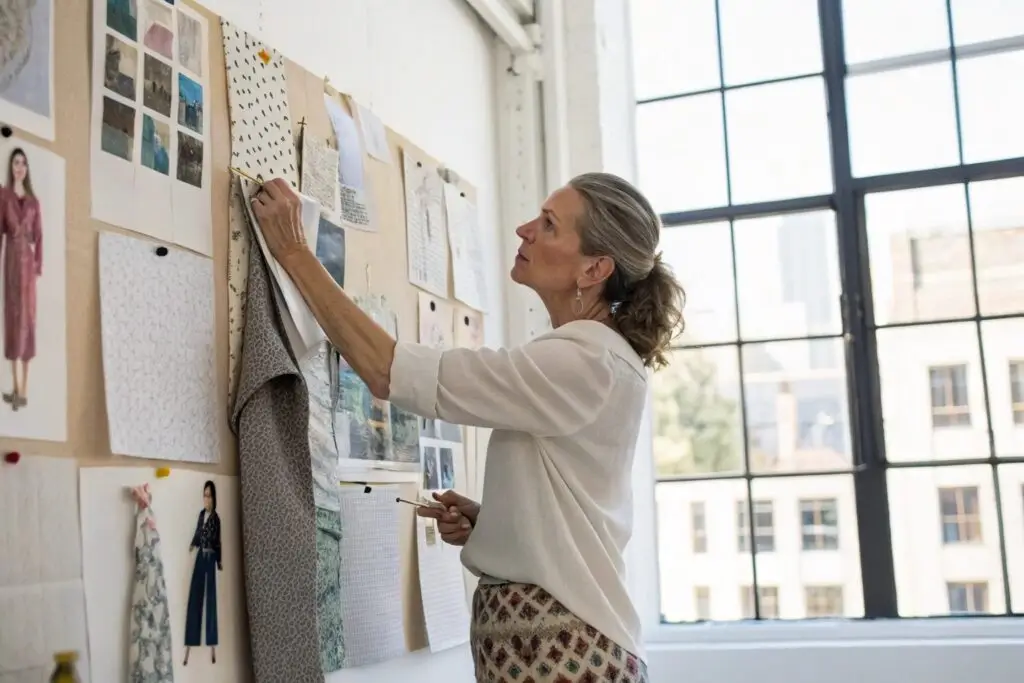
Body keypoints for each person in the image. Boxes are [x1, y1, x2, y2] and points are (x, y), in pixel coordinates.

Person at [251, 172, 685, 683]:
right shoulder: (593, 357)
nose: (524, 230)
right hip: (551, 640)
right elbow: (577, 504)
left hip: (560, 645)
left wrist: (296, 252)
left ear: (594, 267)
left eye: (548, 225)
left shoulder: (585, 359)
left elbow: (387, 370)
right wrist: (494, 524)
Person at [0, 148, 43, 411]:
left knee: (27, 318)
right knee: (13, 317)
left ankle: (25, 389)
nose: (20, 167)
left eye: (23, 164)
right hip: (11, 262)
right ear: (11, 166)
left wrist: (38, 265)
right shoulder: (3, 196)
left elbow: (39, 236)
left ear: (27, 169)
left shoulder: (33, 201)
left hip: (27, 264)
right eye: (16, 163)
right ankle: (15, 387)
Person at [184, 480, 222, 666]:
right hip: (200, 556)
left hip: (211, 558)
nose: (206, 499)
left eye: (209, 495)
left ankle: (213, 645)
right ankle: (190, 644)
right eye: (204, 495)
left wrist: (220, 561)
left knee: (211, 601)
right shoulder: (201, 515)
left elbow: (218, 542)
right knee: (195, 596)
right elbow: (198, 533)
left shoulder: (216, 518)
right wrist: (192, 544)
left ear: (214, 497)